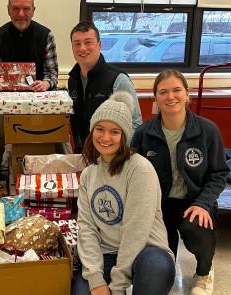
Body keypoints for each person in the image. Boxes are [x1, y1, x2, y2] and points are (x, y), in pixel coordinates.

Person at [131, 70, 229, 295]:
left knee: (198, 227)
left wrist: (204, 203)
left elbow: (219, 173)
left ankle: (204, 272)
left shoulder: (207, 131)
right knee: (161, 260)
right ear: (155, 98)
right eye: (163, 92)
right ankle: (166, 269)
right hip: (159, 206)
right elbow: (133, 174)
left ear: (187, 94)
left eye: (177, 90)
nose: (170, 97)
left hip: (194, 201)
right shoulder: (144, 133)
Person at [73, 91, 175, 295]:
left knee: (157, 268)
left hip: (146, 250)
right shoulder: (87, 175)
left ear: (125, 136)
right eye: (100, 129)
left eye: (115, 132)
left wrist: (116, 287)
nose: (105, 137)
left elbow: (135, 231)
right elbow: (87, 228)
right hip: (107, 253)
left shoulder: (140, 169)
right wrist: (96, 279)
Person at [0, 0, 58, 164]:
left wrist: (46, 83)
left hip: (40, 101)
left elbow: (52, 73)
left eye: (26, 9)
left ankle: (66, 174)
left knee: (61, 138)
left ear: (33, 10)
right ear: (8, 10)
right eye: (16, 9)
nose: (21, 14)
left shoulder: (46, 35)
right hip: (7, 103)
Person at [68, 21, 142, 153]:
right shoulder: (72, 80)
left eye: (88, 42)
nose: (82, 48)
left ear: (99, 45)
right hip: (85, 156)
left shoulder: (118, 79)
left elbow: (135, 125)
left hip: (113, 158)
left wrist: (112, 154)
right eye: (77, 44)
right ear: (72, 48)